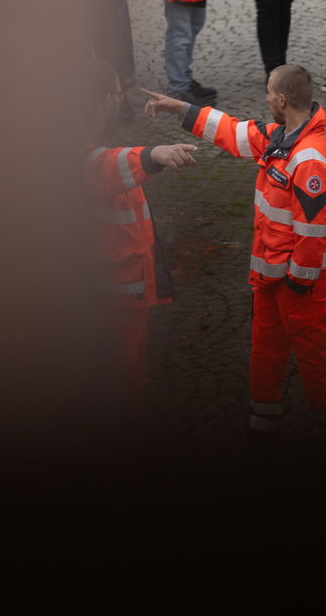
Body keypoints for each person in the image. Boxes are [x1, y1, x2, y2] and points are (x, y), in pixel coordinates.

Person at [140, 65, 326, 440]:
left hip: (297, 283)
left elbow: (315, 232)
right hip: (270, 277)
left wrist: (300, 281)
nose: (264, 99)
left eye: (268, 93)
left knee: (314, 352)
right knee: (266, 348)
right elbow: (231, 131)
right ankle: (263, 417)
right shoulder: (280, 138)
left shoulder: (308, 158)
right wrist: (178, 109)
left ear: (281, 100)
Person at [87, 60, 198, 409]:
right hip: (113, 290)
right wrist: (153, 155)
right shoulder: (77, 151)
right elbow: (101, 167)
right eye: (119, 94)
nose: (122, 102)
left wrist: (182, 109)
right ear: (104, 99)